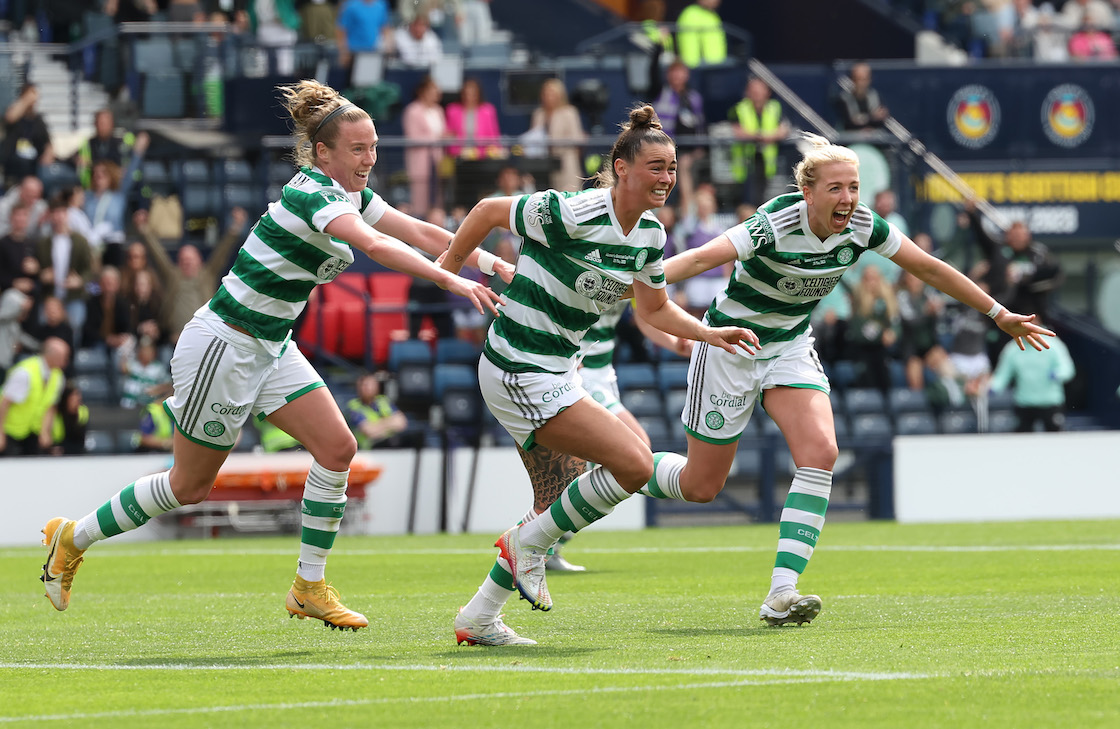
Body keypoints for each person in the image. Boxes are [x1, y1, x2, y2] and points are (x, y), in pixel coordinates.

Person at [37, 79, 506, 626]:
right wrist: (454, 283)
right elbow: (377, 246)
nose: (370, 158)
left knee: (337, 448)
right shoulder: (312, 194)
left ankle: (309, 586)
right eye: (358, 149)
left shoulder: (350, 193)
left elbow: (423, 231)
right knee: (188, 487)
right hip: (225, 344)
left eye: (374, 146)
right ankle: (73, 536)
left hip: (270, 345)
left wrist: (491, 265)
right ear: (323, 152)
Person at [640, 133, 1054, 628]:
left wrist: (998, 311)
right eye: (836, 189)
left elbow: (927, 267)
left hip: (789, 346)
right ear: (808, 192)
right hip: (732, 345)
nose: (848, 199)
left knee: (821, 453)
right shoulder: (776, 220)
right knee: (701, 485)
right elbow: (704, 258)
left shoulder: (862, 225)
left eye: (854, 187)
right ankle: (625, 467)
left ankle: (781, 593)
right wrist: (636, 283)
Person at [441, 105, 757, 645]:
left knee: (554, 503)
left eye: (673, 168)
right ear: (621, 167)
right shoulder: (573, 212)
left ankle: (479, 616)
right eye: (656, 167)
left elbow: (654, 310)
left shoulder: (651, 236)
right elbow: (491, 210)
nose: (666, 178)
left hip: (559, 370)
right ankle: (526, 548)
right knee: (633, 463)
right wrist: (448, 270)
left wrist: (708, 333)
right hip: (518, 363)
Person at [965, 201, 1062, 321]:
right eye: (1013, 234)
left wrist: (1023, 272)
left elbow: (1053, 272)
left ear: (1028, 236)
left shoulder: (1037, 254)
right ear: (1007, 236)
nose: (1017, 238)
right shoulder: (999, 251)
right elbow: (982, 236)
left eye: (1020, 234)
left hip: (1031, 313)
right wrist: (972, 213)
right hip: (1000, 312)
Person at [989, 318, 1075, 432]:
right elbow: (1002, 374)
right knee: (1022, 440)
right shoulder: (1012, 349)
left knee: (1056, 439)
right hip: (1024, 402)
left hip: (1050, 402)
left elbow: (1067, 368)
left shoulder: (1053, 344)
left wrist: (1058, 374)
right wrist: (993, 387)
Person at [36, 195, 94, 344]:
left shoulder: (80, 241)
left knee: (74, 326)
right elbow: (38, 270)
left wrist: (80, 280)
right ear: (50, 216)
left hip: (73, 297)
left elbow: (90, 270)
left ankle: (71, 362)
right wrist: (42, 275)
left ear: (67, 215)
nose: (59, 217)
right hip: (50, 296)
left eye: (62, 212)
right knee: (44, 325)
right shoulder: (43, 243)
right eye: (55, 213)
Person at [0, 336, 70, 456]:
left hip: (33, 431)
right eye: (64, 357)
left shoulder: (58, 377)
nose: (66, 361)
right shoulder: (25, 372)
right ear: (52, 355)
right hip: (11, 430)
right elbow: (5, 402)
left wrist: (45, 431)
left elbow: (50, 406)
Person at [730, 77, 790, 206]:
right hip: (746, 164)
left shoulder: (775, 107)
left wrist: (768, 136)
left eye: (760, 89)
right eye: (753, 90)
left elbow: (783, 129)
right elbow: (737, 131)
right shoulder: (739, 108)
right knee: (747, 202)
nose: (756, 93)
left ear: (767, 92)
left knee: (766, 200)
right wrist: (759, 136)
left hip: (768, 164)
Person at [529, 78, 587, 193]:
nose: (549, 97)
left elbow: (577, 138)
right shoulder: (538, 114)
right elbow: (533, 136)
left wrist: (555, 141)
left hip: (565, 161)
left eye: (552, 93)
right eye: (546, 94)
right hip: (543, 163)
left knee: (568, 196)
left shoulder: (569, 112)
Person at [402, 77, 448, 215]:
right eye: (433, 90)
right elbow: (413, 136)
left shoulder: (439, 110)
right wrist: (437, 138)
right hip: (420, 160)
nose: (436, 93)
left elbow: (443, 132)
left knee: (437, 197)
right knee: (420, 198)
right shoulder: (412, 110)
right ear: (423, 92)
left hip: (437, 159)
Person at [1, 83, 54, 186]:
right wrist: (26, 99)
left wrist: (48, 154)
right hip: (14, 160)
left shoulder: (38, 120)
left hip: (34, 162)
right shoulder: (15, 115)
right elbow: (10, 117)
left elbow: (48, 143)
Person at [345, 371, 409, 449]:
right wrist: (390, 423)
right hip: (368, 450)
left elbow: (402, 423)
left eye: (371, 385)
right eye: (364, 385)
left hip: (390, 446)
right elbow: (369, 431)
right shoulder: (354, 406)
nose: (367, 388)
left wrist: (378, 426)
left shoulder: (383, 401)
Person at [445, 78, 503, 160]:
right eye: (466, 94)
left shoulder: (488, 110)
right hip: (459, 157)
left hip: (482, 157)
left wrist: (493, 152)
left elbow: (493, 136)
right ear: (462, 94)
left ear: (478, 95)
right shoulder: (453, 110)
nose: (469, 97)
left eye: (473, 94)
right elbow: (449, 135)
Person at [834, 62, 890, 133]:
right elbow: (849, 122)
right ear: (852, 79)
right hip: (851, 140)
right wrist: (872, 117)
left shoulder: (876, 96)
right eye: (858, 79)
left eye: (865, 79)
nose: (862, 83)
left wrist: (864, 120)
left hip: (874, 138)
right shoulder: (843, 99)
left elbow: (881, 120)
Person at [335, 0, 392, 68]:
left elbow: (385, 27)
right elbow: (341, 30)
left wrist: (388, 46)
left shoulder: (381, 6)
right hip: (353, 52)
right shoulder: (350, 5)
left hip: (373, 52)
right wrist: (343, 52)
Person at [675, 0, 727, 68]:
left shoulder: (714, 16)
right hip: (698, 71)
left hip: (717, 69)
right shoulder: (690, 14)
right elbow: (690, 53)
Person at [49, 384, 88, 456]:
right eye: (74, 395)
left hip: (76, 453)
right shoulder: (55, 413)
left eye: (79, 395)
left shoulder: (83, 412)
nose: (79, 398)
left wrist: (64, 450)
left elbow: (80, 441)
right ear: (66, 398)